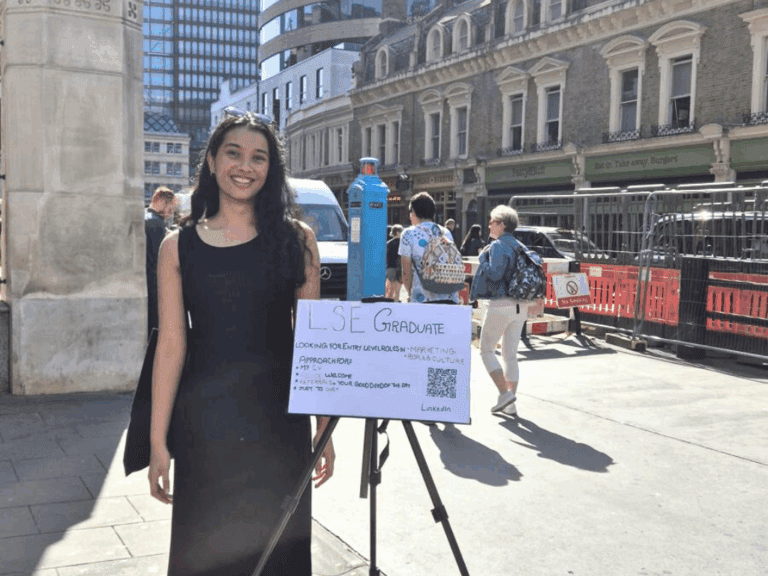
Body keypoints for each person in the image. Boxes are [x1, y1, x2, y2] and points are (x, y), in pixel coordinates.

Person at [148, 112, 335, 576]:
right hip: (204, 429)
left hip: (279, 423)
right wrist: (157, 438)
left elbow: (311, 341)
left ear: (272, 169)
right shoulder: (177, 247)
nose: (245, 166)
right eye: (234, 153)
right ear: (211, 160)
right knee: (205, 551)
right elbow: (171, 346)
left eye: (259, 157)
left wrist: (325, 425)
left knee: (279, 554)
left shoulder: (299, 241)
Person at [470, 205, 530, 417]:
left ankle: (504, 393)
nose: (489, 225)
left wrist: (482, 259)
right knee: (510, 355)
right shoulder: (521, 246)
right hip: (521, 305)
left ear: (502, 225)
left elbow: (495, 274)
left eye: (493, 221)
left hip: (500, 304)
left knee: (486, 350)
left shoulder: (497, 246)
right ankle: (510, 403)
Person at [398, 192, 460, 304]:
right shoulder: (445, 232)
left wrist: (409, 293)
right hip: (447, 298)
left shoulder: (408, 234)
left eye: (410, 212)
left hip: (421, 298)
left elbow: (406, 271)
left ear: (414, 212)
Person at [145, 186, 177, 338]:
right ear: (160, 201)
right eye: (170, 206)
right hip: (155, 284)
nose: (171, 211)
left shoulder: (149, 219)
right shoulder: (155, 224)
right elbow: (162, 258)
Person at [385, 224, 404, 300]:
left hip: (390, 268)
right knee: (397, 290)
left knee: (389, 290)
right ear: (397, 232)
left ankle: (388, 304)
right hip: (400, 269)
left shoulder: (388, 243)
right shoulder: (403, 244)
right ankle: (396, 304)